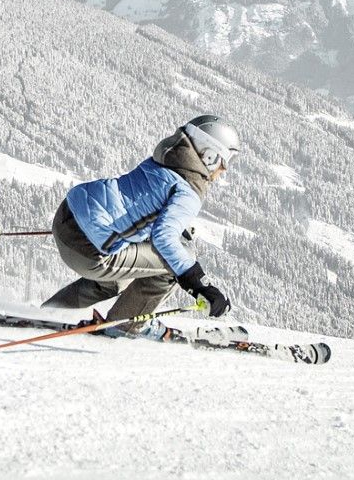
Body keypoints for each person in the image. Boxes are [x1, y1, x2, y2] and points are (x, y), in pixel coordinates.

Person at [42, 115, 238, 332]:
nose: (224, 170)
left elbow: (140, 203)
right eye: (224, 161)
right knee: (171, 266)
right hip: (88, 253)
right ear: (209, 155)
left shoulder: (163, 160)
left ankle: (48, 312)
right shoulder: (188, 192)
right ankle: (127, 325)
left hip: (66, 218)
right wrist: (200, 285)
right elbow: (164, 239)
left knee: (117, 278)